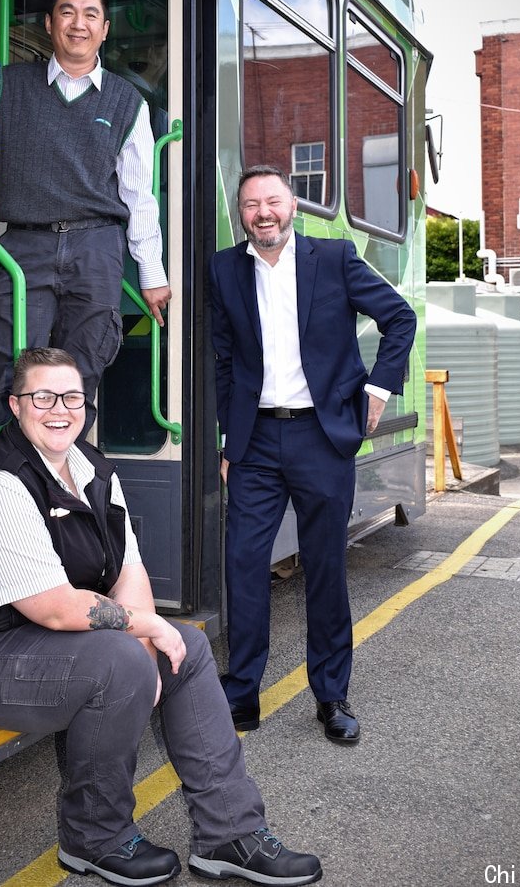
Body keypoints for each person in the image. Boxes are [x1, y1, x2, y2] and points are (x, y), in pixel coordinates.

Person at [0, 347, 322, 886]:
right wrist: (144, 632)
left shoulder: (93, 469)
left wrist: (149, 638)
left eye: (72, 396)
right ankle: (93, 838)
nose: (60, 409)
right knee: (126, 655)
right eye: (42, 397)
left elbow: (129, 571)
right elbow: (54, 609)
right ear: (15, 405)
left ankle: (230, 835)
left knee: (185, 648)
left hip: (51, 647)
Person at [209, 166, 417, 745]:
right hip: (255, 444)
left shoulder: (334, 258)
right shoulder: (225, 269)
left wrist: (377, 391)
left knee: (325, 567)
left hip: (322, 439)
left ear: (292, 205)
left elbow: (400, 318)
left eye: (272, 200)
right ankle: (241, 692)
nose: (262, 212)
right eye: (251, 204)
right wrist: (230, 439)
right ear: (242, 214)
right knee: (244, 566)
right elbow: (223, 361)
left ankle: (331, 696)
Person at [0, 0, 171, 426]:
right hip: (27, 246)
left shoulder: (129, 102)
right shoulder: (8, 84)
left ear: (104, 29)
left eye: (91, 14)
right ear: (49, 24)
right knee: (16, 375)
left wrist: (151, 274)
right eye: (67, 12)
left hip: (96, 249)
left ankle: (67, 485)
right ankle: (6, 485)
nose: (78, 24)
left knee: (81, 376)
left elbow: (138, 195)